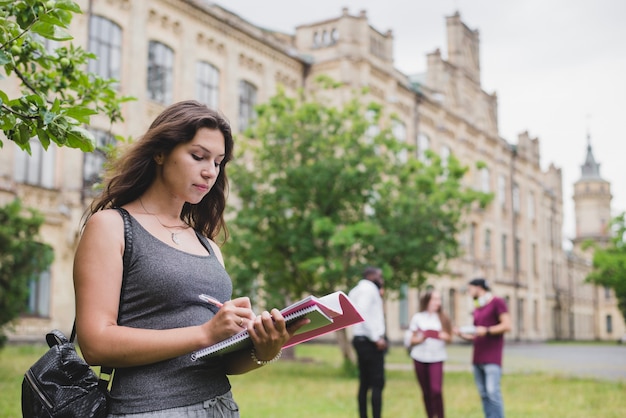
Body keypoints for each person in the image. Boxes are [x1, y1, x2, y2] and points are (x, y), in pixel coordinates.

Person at [73, 100, 307, 417]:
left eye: (219, 162)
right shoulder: (112, 227)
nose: (210, 171)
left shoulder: (208, 246)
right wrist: (205, 333)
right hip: (150, 411)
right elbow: (95, 344)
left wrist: (265, 348)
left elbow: (218, 359)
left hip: (220, 407)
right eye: (198, 156)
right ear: (160, 153)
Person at [455, 278, 511, 418]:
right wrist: (461, 335)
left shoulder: (497, 302)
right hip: (477, 357)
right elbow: (476, 334)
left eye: (470, 289)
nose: (468, 293)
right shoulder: (478, 308)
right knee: (484, 394)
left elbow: (507, 326)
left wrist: (486, 330)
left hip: (492, 357)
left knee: (493, 392)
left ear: (478, 288)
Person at [404, 289, 452, 418]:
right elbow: (410, 339)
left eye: (439, 299)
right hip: (419, 356)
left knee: (436, 390)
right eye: (435, 299)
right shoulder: (418, 318)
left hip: (437, 357)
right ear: (427, 301)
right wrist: (420, 339)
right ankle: (430, 415)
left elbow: (450, 337)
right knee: (426, 391)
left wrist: (442, 336)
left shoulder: (443, 317)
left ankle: (440, 415)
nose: (438, 302)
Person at [348, 266, 387, 418]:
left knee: (364, 382)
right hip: (370, 342)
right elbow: (362, 314)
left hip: (360, 339)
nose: (381, 280)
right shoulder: (369, 289)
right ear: (372, 276)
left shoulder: (355, 290)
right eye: (380, 276)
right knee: (377, 383)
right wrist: (376, 338)